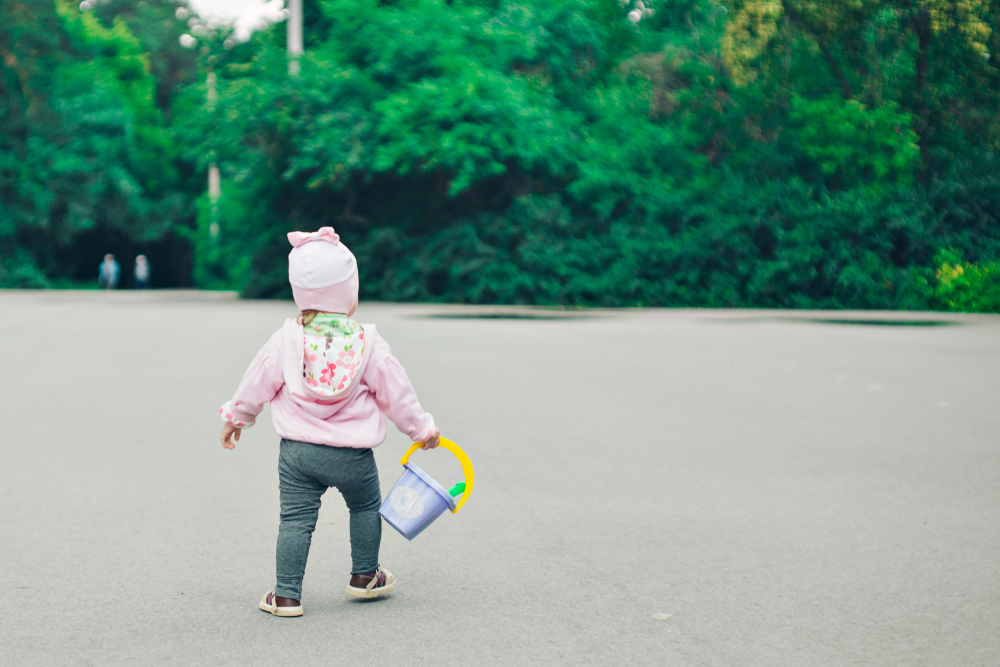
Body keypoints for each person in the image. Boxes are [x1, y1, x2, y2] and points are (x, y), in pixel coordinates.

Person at [218, 226, 441, 618]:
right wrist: (421, 429)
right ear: (348, 292)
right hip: (353, 456)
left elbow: (256, 381)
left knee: (295, 519)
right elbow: (397, 391)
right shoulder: (367, 343)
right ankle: (365, 576)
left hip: (298, 454)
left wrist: (238, 416)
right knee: (366, 507)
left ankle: (286, 595)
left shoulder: (286, 340)